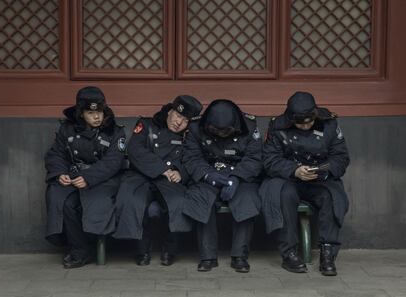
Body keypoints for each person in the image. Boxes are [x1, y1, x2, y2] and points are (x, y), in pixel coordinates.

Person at [259, 91, 350, 276]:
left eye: (309, 122)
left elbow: (341, 157)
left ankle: (328, 253)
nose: (305, 126)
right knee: (283, 195)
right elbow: (269, 160)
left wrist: (323, 172)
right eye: (300, 123)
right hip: (289, 178)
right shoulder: (277, 126)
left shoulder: (329, 124)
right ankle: (289, 253)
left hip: (320, 179)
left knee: (331, 197)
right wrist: (294, 170)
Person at [113, 95, 202, 266]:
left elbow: (193, 158)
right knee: (133, 201)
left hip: (170, 181)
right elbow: (135, 150)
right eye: (177, 116)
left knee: (177, 202)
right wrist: (162, 169)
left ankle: (170, 250)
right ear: (170, 111)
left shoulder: (190, 136)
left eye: (184, 120)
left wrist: (181, 173)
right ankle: (141, 251)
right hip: (141, 175)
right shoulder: (146, 125)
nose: (178, 122)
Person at [45, 86, 126, 268]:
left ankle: (93, 247)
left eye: (100, 112)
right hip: (73, 177)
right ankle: (79, 250)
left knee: (96, 204)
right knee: (64, 201)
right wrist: (60, 174)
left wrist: (88, 177)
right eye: (91, 113)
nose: (97, 117)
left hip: (103, 180)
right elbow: (55, 154)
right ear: (81, 113)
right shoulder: (67, 129)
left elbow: (113, 162)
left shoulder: (115, 131)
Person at [182, 99, 262, 273]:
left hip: (240, 176)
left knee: (247, 199)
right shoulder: (196, 127)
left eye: (225, 131)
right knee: (201, 198)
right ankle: (207, 257)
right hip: (208, 175)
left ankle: (239, 256)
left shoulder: (249, 125)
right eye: (215, 131)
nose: (220, 135)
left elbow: (254, 158)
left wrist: (237, 177)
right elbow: (191, 157)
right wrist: (208, 175)